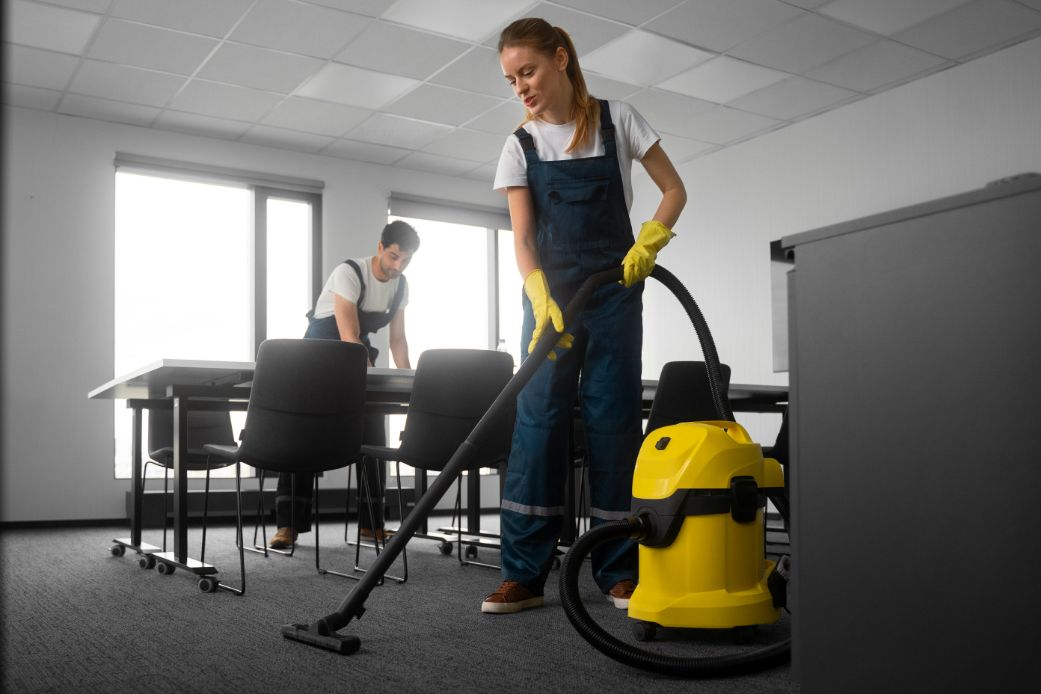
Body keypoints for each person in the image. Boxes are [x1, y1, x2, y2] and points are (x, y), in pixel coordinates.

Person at [482, 18, 686, 614]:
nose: (520, 86)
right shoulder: (518, 145)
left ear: (562, 58)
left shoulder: (619, 119)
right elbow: (522, 239)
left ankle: (619, 568)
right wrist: (539, 293)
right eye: (510, 78)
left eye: (528, 70)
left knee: (614, 421)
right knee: (538, 423)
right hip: (551, 300)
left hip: (614, 291)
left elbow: (673, 189)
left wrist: (650, 240)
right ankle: (523, 573)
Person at [268, 220, 420, 549]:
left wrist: (409, 384)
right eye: (394, 257)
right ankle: (287, 525)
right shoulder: (349, 273)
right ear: (380, 247)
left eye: (406, 260)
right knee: (303, 440)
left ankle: (371, 524)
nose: (398, 266)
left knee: (373, 437)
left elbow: (398, 341)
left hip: (355, 361)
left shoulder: (401, 286)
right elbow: (350, 338)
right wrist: (367, 376)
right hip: (317, 359)